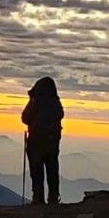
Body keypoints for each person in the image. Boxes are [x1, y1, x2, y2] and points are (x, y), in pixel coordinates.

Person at [21, 77, 64, 206]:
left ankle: (38, 198)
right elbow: (61, 115)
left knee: (36, 170)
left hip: (36, 142)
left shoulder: (36, 101)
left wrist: (32, 99)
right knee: (52, 169)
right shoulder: (55, 102)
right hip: (52, 142)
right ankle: (53, 198)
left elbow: (25, 118)